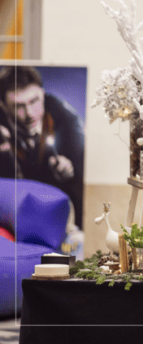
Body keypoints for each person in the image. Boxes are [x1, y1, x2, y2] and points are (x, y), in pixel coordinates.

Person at [0, 66, 85, 227]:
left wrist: (69, 175)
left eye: (34, 101)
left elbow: (81, 190)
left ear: (42, 94)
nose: (30, 113)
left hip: (56, 219)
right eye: (18, 106)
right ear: (3, 106)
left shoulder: (67, 121)